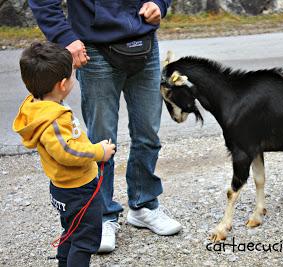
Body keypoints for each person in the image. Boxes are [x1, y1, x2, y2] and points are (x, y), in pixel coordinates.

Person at [28, 0, 182, 253]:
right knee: (101, 140)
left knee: (148, 134)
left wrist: (159, 3)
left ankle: (144, 206)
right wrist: (64, 35)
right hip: (94, 49)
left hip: (145, 44)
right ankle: (102, 217)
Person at [13, 42, 116, 267]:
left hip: (63, 187)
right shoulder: (54, 119)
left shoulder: (38, 105)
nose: (73, 80)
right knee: (85, 239)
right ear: (62, 84)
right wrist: (99, 152)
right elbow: (67, 151)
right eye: (72, 76)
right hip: (78, 190)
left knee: (70, 231)